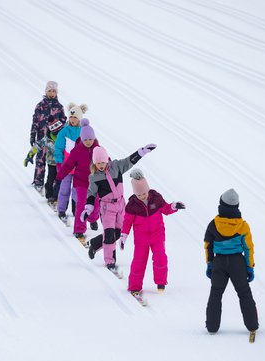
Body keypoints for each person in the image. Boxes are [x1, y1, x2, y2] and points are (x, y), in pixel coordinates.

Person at [83, 144, 157, 272]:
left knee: (118, 232)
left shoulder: (116, 166)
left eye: (103, 162)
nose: (101, 165)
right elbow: (91, 194)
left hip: (121, 205)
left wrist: (142, 152)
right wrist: (88, 208)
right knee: (110, 234)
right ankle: (110, 261)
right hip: (106, 208)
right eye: (98, 163)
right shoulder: (94, 176)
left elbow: (129, 160)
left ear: (107, 160)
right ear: (94, 163)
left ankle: (95, 243)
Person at [121, 169, 185, 295]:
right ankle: (134, 286)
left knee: (160, 257)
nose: (142, 196)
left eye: (144, 193)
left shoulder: (156, 198)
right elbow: (127, 222)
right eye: (139, 195)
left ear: (147, 190)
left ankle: (161, 282)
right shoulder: (132, 205)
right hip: (141, 239)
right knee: (139, 261)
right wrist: (124, 236)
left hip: (157, 234)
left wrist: (173, 206)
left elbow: (166, 209)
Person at [204, 188, 259, 335]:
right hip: (238, 263)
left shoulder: (213, 224)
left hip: (219, 263)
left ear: (221, 205)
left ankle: (212, 327)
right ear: (237, 207)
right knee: (244, 293)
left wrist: (209, 263)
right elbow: (248, 248)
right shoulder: (243, 226)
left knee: (216, 293)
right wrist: (249, 266)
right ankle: (252, 325)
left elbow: (208, 245)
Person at [55, 118, 102, 240]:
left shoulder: (98, 149)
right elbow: (68, 165)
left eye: (90, 139)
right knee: (81, 205)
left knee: (96, 205)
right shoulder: (76, 151)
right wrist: (60, 175)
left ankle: (92, 219)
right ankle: (79, 229)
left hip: (95, 183)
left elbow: (106, 161)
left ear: (94, 138)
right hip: (80, 183)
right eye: (85, 139)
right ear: (81, 138)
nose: (88, 142)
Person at [24, 81, 67, 195]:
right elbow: (35, 121)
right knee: (40, 159)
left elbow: (63, 122)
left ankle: (52, 184)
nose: (52, 93)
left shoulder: (59, 107)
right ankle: (38, 181)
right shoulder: (40, 106)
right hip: (42, 137)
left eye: (54, 91)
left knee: (53, 162)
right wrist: (33, 134)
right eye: (49, 91)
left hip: (54, 140)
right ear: (46, 91)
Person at [53, 103, 88, 220]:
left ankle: (75, 210)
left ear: (80, 118)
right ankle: (61, 209)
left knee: (77, 191)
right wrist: (59, 162)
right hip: (67, 167)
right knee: (64, 188)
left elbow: (89, 148)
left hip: (80, 168)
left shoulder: (84, 131)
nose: (72, 120)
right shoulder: (64, 131)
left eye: (75, 118)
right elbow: (58, 148)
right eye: (71, 117)